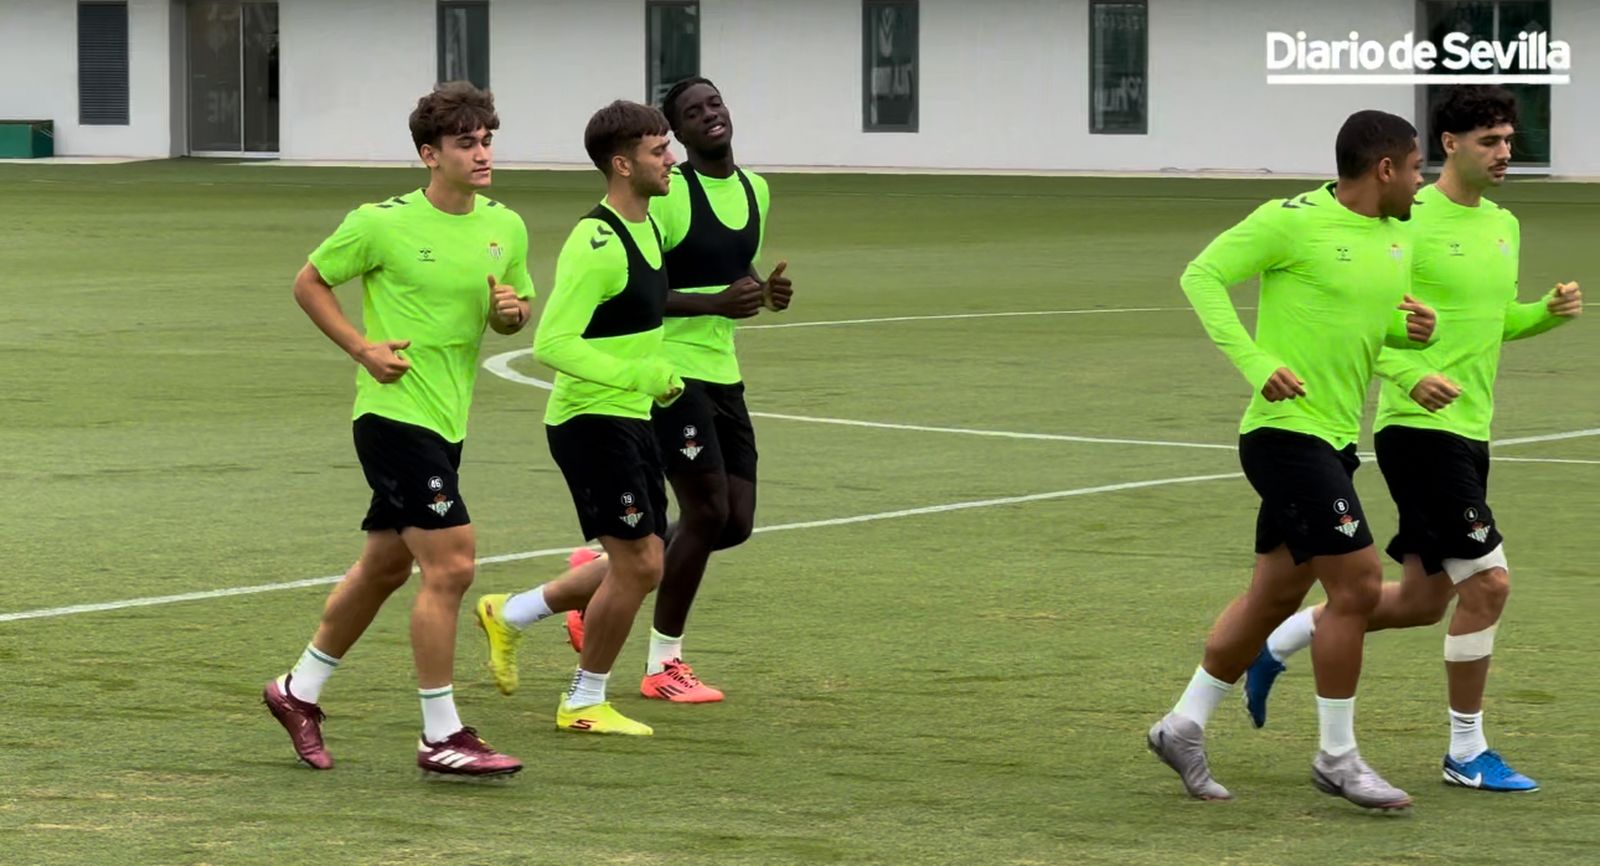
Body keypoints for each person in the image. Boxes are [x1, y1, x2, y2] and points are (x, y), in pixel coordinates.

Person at [1248, 85, 1583, 793]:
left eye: (1508, 140)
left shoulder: (1504, 225)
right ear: (1449, 144)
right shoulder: (1407, 218)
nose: (1505, 153)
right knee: (1490, 584)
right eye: (1490, 140)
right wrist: (1410, 373)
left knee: (1427, 599)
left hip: (1472, 431)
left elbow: (1492, 325)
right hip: (1417, 430)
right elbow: (1374, 325)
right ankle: (1467, 751)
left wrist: (1546, 316)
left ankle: (1279, 642)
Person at [1146, 109, 1434, 810]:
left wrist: (1412, 347)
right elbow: (1202, 276)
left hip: (1334, 439)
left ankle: (1182, 724)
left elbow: (1362, 330)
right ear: (1384, 169)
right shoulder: (1290, 221)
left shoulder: (1398, 237)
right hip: (1283, 435)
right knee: (1359, 587)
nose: (1421, 183)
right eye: (1417, 167)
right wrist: (1256, 362)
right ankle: (1337, 757)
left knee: (1274, 597)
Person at [263, 82, 531, 778]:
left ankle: (298, 690)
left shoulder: (506, 225)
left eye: (486, 139)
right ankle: (440, 734)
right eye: (466, 143)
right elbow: (309, 282)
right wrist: (362, 347)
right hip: (391, 415)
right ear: (428, 154)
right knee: (453, 563)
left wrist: (510, 315)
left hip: (449, 419)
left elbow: (514, 311)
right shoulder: (380, 223)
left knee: (386, 564)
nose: (482, 153)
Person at [475, 101, 683, 736]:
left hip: (633, 417)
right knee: (642, 564)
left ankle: (510, 613)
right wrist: (639, 375)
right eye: (658, 151)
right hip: (592, 421)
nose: (670, 158)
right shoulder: (596, 243)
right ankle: (583, 701)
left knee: (648, 556)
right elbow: (552, 344)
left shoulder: (650, 223)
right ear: (622, 165)